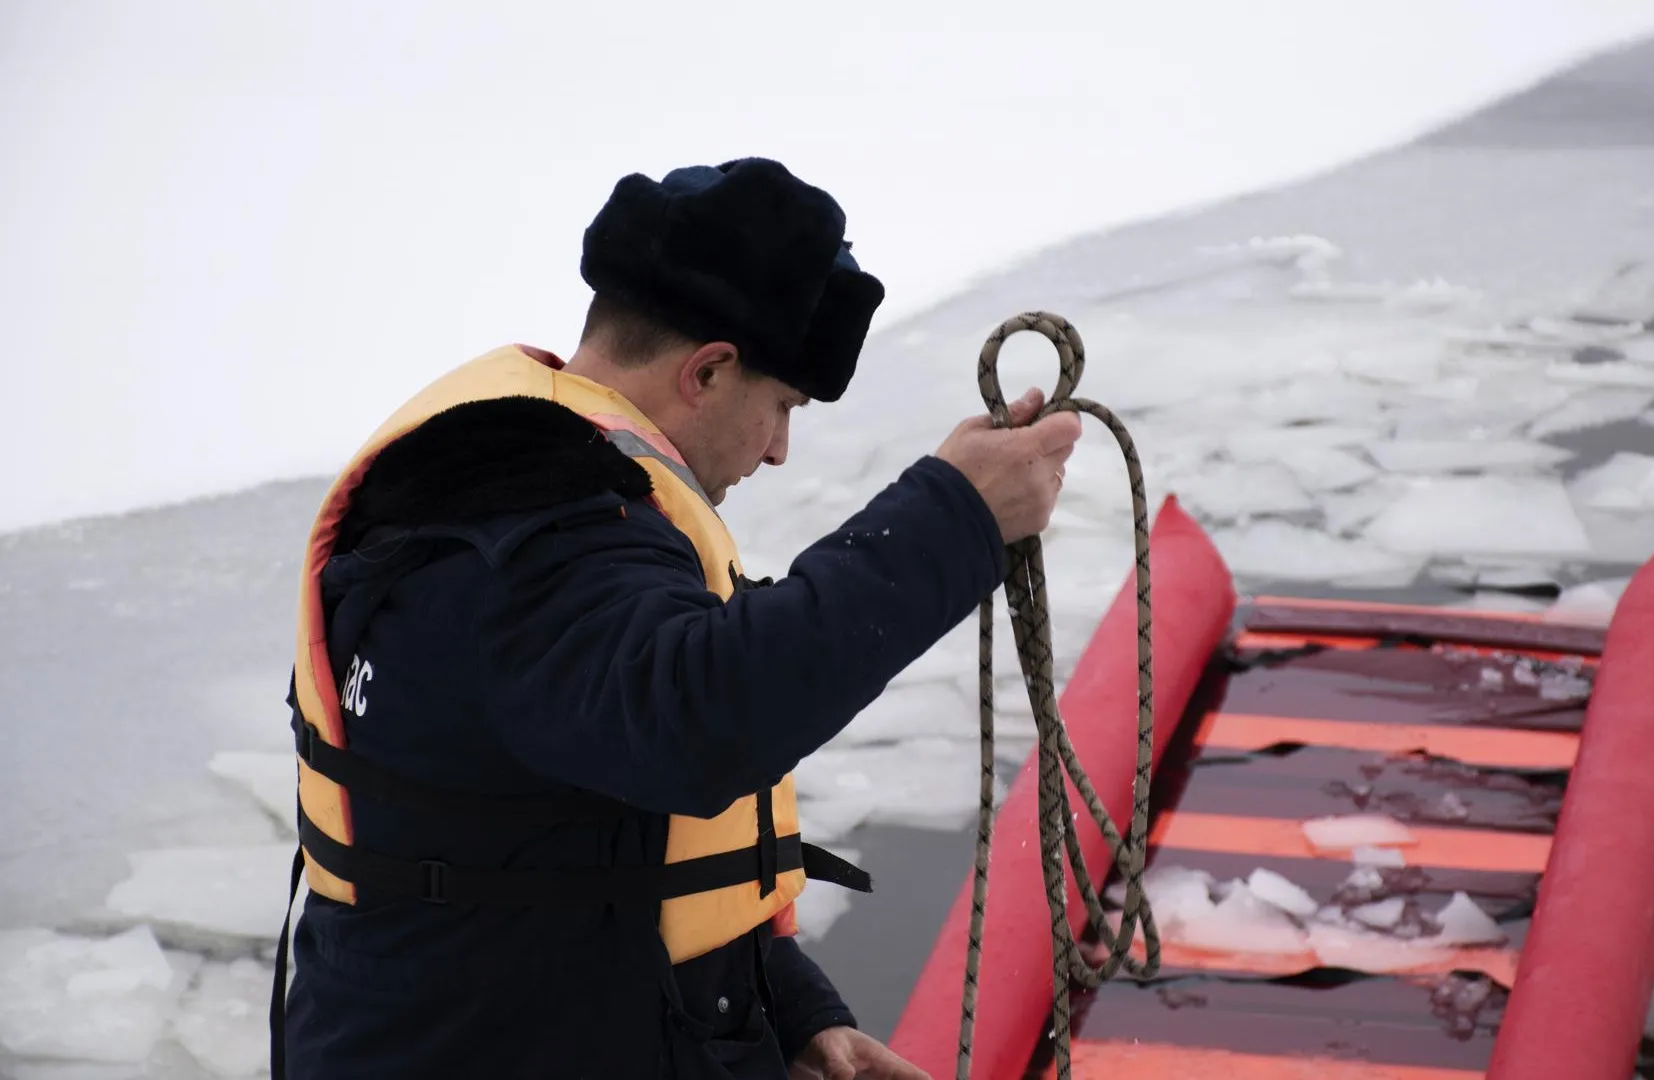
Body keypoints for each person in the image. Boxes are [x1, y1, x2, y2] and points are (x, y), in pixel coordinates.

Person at [271, 156, 1084, 1080]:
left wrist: (788, 1010)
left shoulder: (502, 469)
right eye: (782, 406)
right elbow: (702, 714)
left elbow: (578, 847)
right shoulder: (535, 535)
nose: (779, 449)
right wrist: (957, 517)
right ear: (707, 371)